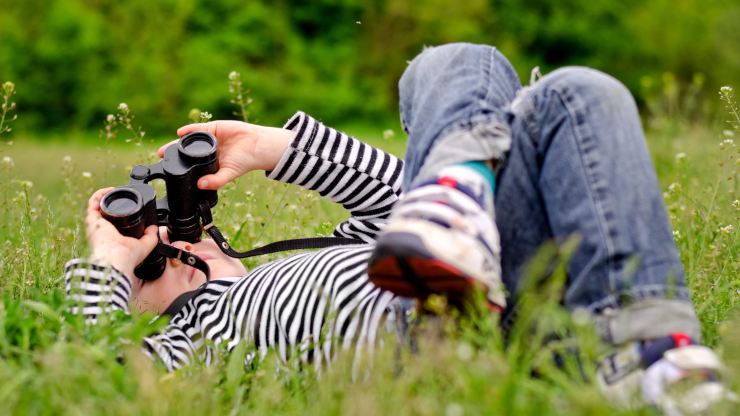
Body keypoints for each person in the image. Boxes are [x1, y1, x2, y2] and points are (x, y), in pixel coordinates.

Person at [67, 43, 730, 413]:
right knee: (553, 94)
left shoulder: (350, 256)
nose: (172, 249)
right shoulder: (192, 345)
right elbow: (92, 381)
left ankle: (648, 357)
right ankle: (649, 357)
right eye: (152, 267)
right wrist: (109, 261)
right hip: (433, 333)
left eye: (179, 241)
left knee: (559, 86)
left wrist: (274, 149)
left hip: (499, 287)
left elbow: (400, 191)